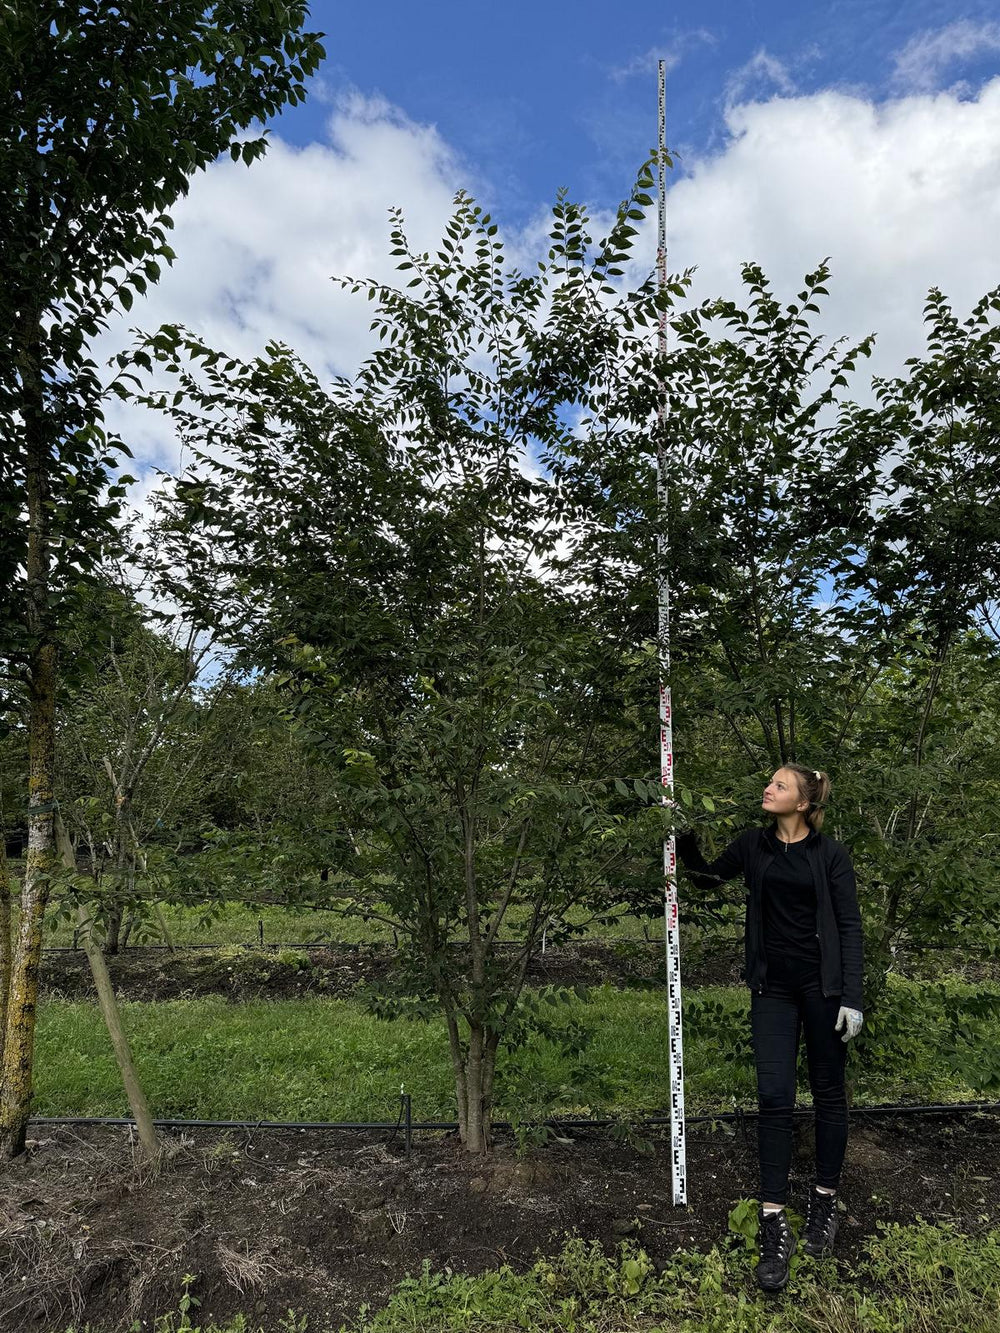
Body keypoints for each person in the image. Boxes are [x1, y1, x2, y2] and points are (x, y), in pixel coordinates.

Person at [676, 764, 864, 1293]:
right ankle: (773, 1218)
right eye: (770, 783)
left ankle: (824, 1200)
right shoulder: (753, 845)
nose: (768, 789)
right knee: (774, 1095)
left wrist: (853, 996)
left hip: (825, 990)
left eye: (780, 785)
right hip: (773, 990)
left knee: (829, 1094)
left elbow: (849, 925)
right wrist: (683, 839)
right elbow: (709, 877)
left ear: (803, 803)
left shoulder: (830, 855)